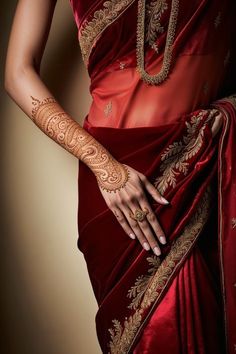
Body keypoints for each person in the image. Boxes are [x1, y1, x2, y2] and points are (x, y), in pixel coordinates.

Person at [4, 0, 236, 353]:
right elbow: (17, 74)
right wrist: (106, 168)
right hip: (114, 185)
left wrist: (223, 117)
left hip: (199, 167)